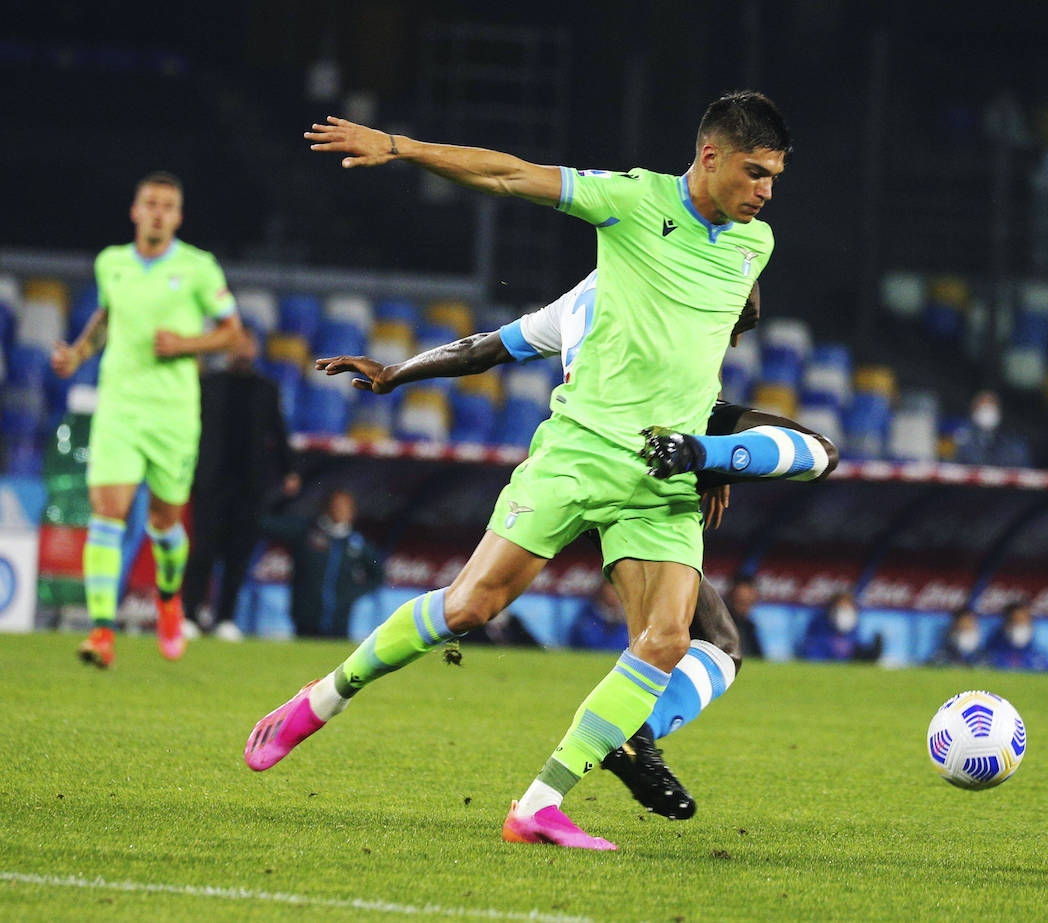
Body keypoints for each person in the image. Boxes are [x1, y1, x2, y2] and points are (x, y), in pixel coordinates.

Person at [246, 91, 794, 851]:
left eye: (774, 177)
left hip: (660, 472)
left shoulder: (752, 246)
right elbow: (509, 176)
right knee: (472, 607)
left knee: (668, 638)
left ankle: (540, 802)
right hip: (580, 449)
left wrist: (711, 446)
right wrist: (399, 147)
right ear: (710, 156)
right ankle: (323, 697)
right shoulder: (629, 204)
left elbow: (711, 333)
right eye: (756, 172)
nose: (766, 191)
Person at [308, 271, 836, 820]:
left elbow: (483, 348)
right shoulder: (679, 288)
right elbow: (655, 384)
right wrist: (711, 454)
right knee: (694, 640)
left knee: (676, 637)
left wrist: (396, 372)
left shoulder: (599, 292)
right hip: (625, 468)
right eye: (734, 325)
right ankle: (620, 745)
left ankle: (598, 760)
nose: (733, 342)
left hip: (583, 465)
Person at [51, 171, 242, 667]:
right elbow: (108, 316)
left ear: (177, 216)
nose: (157, 212)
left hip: (174, 413)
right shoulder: (110, 263)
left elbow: (232, 334)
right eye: (150, 203)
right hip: (117, 405)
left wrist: (186, 344)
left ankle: (169, 597)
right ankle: (101, 632)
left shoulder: (199, 268)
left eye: (167, 205)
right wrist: (78, 353)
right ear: (135, 211)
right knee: (106, 510)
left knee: (164, 522)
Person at [182, 329, 300, 641]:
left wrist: (290, 470)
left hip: (250, 485)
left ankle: (225, 619)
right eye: (236, 345)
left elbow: (279, 431)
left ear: (256, 349)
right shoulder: (207, 385)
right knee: (202, 551)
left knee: (238, 555)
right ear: (226, 350)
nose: (242, 351)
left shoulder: (266, 389)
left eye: (247, 345)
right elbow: (186, 431)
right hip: (210, 481)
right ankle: (190, 615)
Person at [259, 488, 383, 638]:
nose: (341, 511)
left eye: (345, 507)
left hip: (340, 621)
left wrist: (351, 594)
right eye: (337, 506)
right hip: (305, 617)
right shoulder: (308, 532)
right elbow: (265, 525)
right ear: (327, 507)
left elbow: (378, 575)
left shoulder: (356, 543)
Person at [797, 591, 883, 663]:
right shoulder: (820, 622)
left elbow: (856, 645)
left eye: (847, 606)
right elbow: (811, 650)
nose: (844, 610)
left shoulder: (853, 625)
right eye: (841, 606)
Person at [955, 390, 1031, 468]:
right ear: (973, 411)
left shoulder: (1011, 444)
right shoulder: (961, 440)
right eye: (983, 408)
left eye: (992, 407)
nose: (987, 413)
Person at [985, 601, 1048, 672]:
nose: (1020, 626)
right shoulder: (989, 657)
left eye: (1024, 621)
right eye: (1016, 621)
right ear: (1005, 624)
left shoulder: (1041, 660)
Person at [568, 582, 630, 651]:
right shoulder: (587, 617)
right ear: (602, 591)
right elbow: (592, 644)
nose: (617, 594)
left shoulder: (628, 618)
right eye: (613, 589)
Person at [726, 574, 762, 659]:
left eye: (748, 602)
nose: (744, 606)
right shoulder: (721, 624)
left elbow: (758, 658)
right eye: (740, 602)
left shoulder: (749, 626)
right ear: (731, 597)